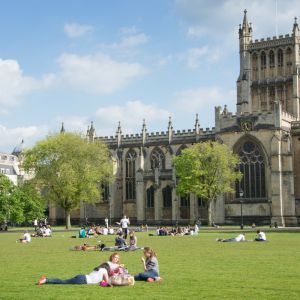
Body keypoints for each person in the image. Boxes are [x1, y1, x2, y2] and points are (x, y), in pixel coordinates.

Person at [37, 262, 111, 286]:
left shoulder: (97, 269)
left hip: (82, 277)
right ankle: (45, 280)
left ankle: (46, 279)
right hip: (83, 280)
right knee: (64, 282)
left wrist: (102, 282)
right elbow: (106, 282)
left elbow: (101, 281)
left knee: (64, 281)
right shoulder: (104, 270)